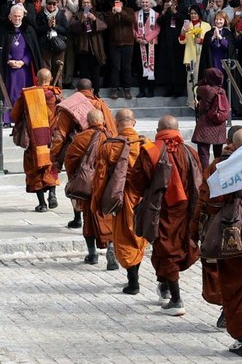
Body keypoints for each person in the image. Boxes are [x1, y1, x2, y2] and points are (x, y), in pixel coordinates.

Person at [193, 128, 242, 356]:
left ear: (229, 143)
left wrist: (197, 229)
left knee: (231, 285)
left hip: (229, 236)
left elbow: (207, 199)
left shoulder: (219, 166)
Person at [129, 115, 202, 316]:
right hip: (187, 210)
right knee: (170, 248)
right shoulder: (190, 152)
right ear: (177, 130)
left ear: (158, 130)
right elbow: (199, 181)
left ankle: (177, 300)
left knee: (167, 250)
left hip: (160, 210)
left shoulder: (151, 150)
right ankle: (165, 288)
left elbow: (136, 182)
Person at [92, 108, 151, 294]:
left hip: (122, 199)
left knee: (125, 237)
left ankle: (133, 281)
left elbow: (100, 177)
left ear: (116, 124)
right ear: (134, 123)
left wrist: (98, 201)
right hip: (144, 199)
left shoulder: (110, 146)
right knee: (139, 237)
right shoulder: (146, 145)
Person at [65, 109, 114, 267]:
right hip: (106, 184)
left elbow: (70, 160)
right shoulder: (111, 138)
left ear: (87, 122)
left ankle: (92, 254)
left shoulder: (81, 138)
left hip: (88, 185)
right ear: (103, 121)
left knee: (88, 218)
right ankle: (111, 248)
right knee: (107, 216)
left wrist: (76, 177)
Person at [9, 68, 61, 212]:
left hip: (34, 139)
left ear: (37, 79)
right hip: (51, 138)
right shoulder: (55, 95)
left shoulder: (27, 95)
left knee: (34, 168)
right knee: (51, 166)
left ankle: (42, 204)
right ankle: (52, 194)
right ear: (50, 80)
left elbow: (14, 115)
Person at [2, 4, 42, 125]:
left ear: (23, 16)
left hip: (25, 69)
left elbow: (32, 50)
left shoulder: (28, 30)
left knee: (24, 93)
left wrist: (23, 61)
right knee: (11, 92)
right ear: (10, 17)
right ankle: (10, 118)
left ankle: (24, 117)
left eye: (19, 16)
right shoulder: (4, 30)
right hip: (10, 68)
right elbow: (2, 49)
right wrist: (9, 60)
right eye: (15, 16)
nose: (17, 18)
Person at [70, 0, 105, 97]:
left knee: (95, 72)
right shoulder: (77, 15)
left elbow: (104, 26)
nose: (86, 4)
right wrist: (81, 21)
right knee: (84, 72)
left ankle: (96, 92)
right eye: (84, 3)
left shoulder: (97, 14)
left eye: (88, 3)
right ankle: (85, 92)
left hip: (95, 48)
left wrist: (94, 19)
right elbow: (72, 28)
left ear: (92, 4)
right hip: (82, 48)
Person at [191, 68, 227, 168]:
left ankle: (205, 174)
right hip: (219, 125)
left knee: (204, 154)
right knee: (218, 155)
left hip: (206, 124)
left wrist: (204, 80)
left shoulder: (206, 89)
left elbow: (194, 88)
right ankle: (217, 172)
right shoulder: (222, 91)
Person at [178, 5, 210, 108]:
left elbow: (210, 40)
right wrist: (183, 33)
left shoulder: (206, 25)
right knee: (191, 78)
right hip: (190, 55)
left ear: (199, 14)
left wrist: (201, 40)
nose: (193, 15)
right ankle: (191, 102)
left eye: (195, 13)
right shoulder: (187, 25)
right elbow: (182, 41)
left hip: (202, 55)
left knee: (202, 78)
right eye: (191, 14)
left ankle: (203, 102)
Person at [106, 0, 135, 100]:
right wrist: (114, 14)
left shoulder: (129, 11)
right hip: (114, 44)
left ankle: (127, 89)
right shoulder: (110, 12)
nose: (117, 4)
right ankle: (114, 89)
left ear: (123, 3)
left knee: (126, 67)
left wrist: (121, 12)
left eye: (119, 2)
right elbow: (108, 26)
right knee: (115, 67)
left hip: (128, 43)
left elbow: (131, 21)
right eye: (115, 2)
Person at [134, 0, 160, 98]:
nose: (144, 4)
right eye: (143, 2)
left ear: (151, 3)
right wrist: (138, 38)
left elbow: (157, 29)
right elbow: (133, 28)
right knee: (141, 68)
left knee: (151, 67)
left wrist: (147, 39)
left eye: (146, 2)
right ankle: (142, 90)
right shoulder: (136, 14)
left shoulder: (157, 15)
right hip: (140, 44)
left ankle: (151, 91)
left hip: (152, 44)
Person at [35, 0, 69, 74]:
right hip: (45, 45)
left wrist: (55, 26)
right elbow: (37, 30)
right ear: (46, 4)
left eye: (54, 4)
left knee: (58, 70)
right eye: (49, 4)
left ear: (57, 4)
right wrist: (47, 26)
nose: (52, 6)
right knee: (46, 69)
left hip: (58, 45)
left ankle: (58, 86)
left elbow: (66, 30)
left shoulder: (61, 15)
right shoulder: (40, 15)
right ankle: (46, 86)